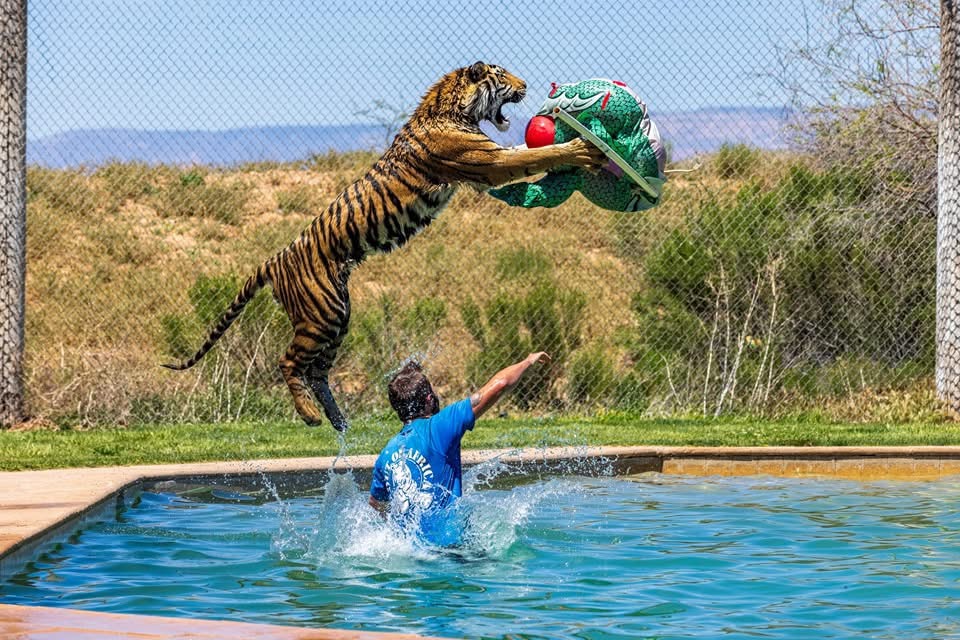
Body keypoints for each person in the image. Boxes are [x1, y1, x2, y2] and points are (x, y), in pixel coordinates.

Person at [368, 352, 551, 545]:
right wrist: (528, 360)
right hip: (450, 551)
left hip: (410, 552)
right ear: (429, 399)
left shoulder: (386, 454)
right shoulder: (440, 426)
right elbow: (500, 385)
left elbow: (375, 503)